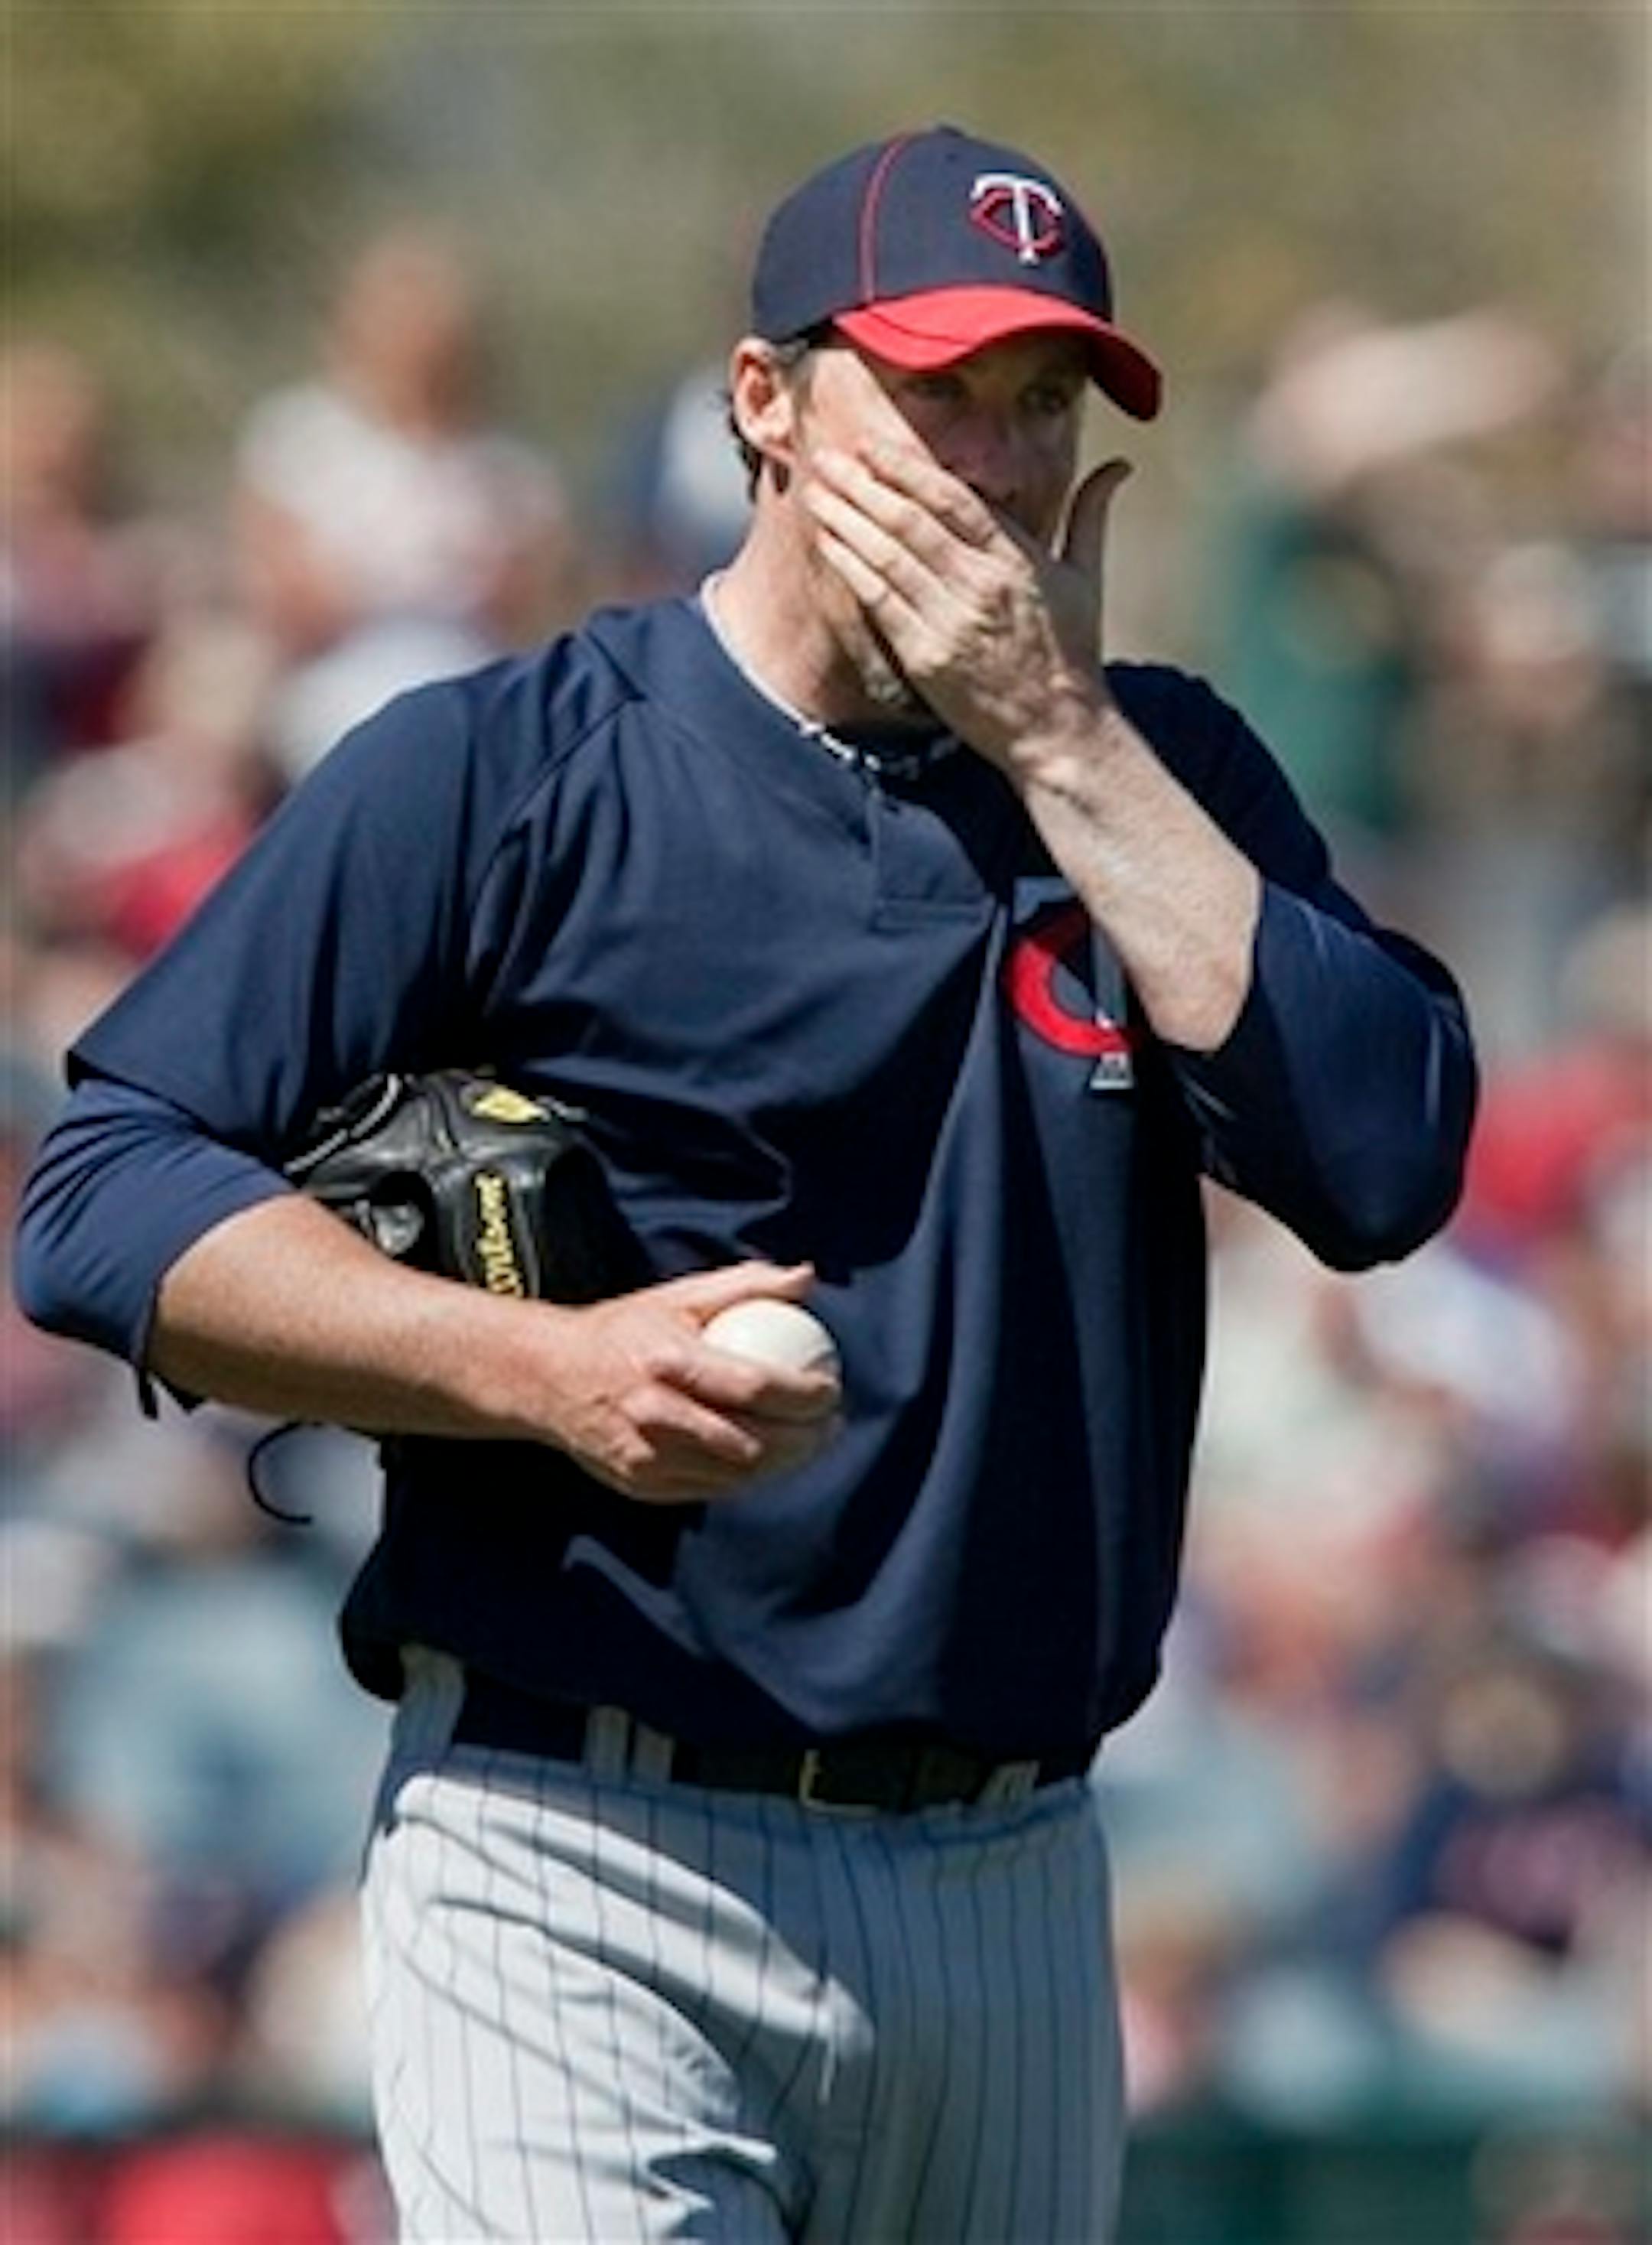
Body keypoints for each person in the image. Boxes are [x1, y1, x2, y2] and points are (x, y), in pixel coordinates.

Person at [15, 125, 1478, 2243]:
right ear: (766, 403)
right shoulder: (504, 772)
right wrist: (529, 1369)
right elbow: (103, 1190)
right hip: (578, 1856)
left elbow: (1384, 1162)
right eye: (938, 388)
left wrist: (1065, 744)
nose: (993, 461)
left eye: (1041, 402)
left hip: (1011, 1880)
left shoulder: (1158, 785)